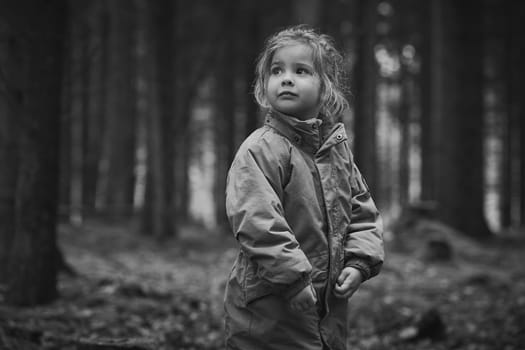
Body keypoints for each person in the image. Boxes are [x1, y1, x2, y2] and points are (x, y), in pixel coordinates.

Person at [223, 25, 384, 350]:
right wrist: (294, 279)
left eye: (301, 71)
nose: (286, 78)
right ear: (263, 84)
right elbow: (257, 222)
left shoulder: (337, 151)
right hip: (270, 306)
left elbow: (363, 213)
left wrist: (358, 263)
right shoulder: (260, 150)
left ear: (325, 87)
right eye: (276, 70)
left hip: (327, 306)